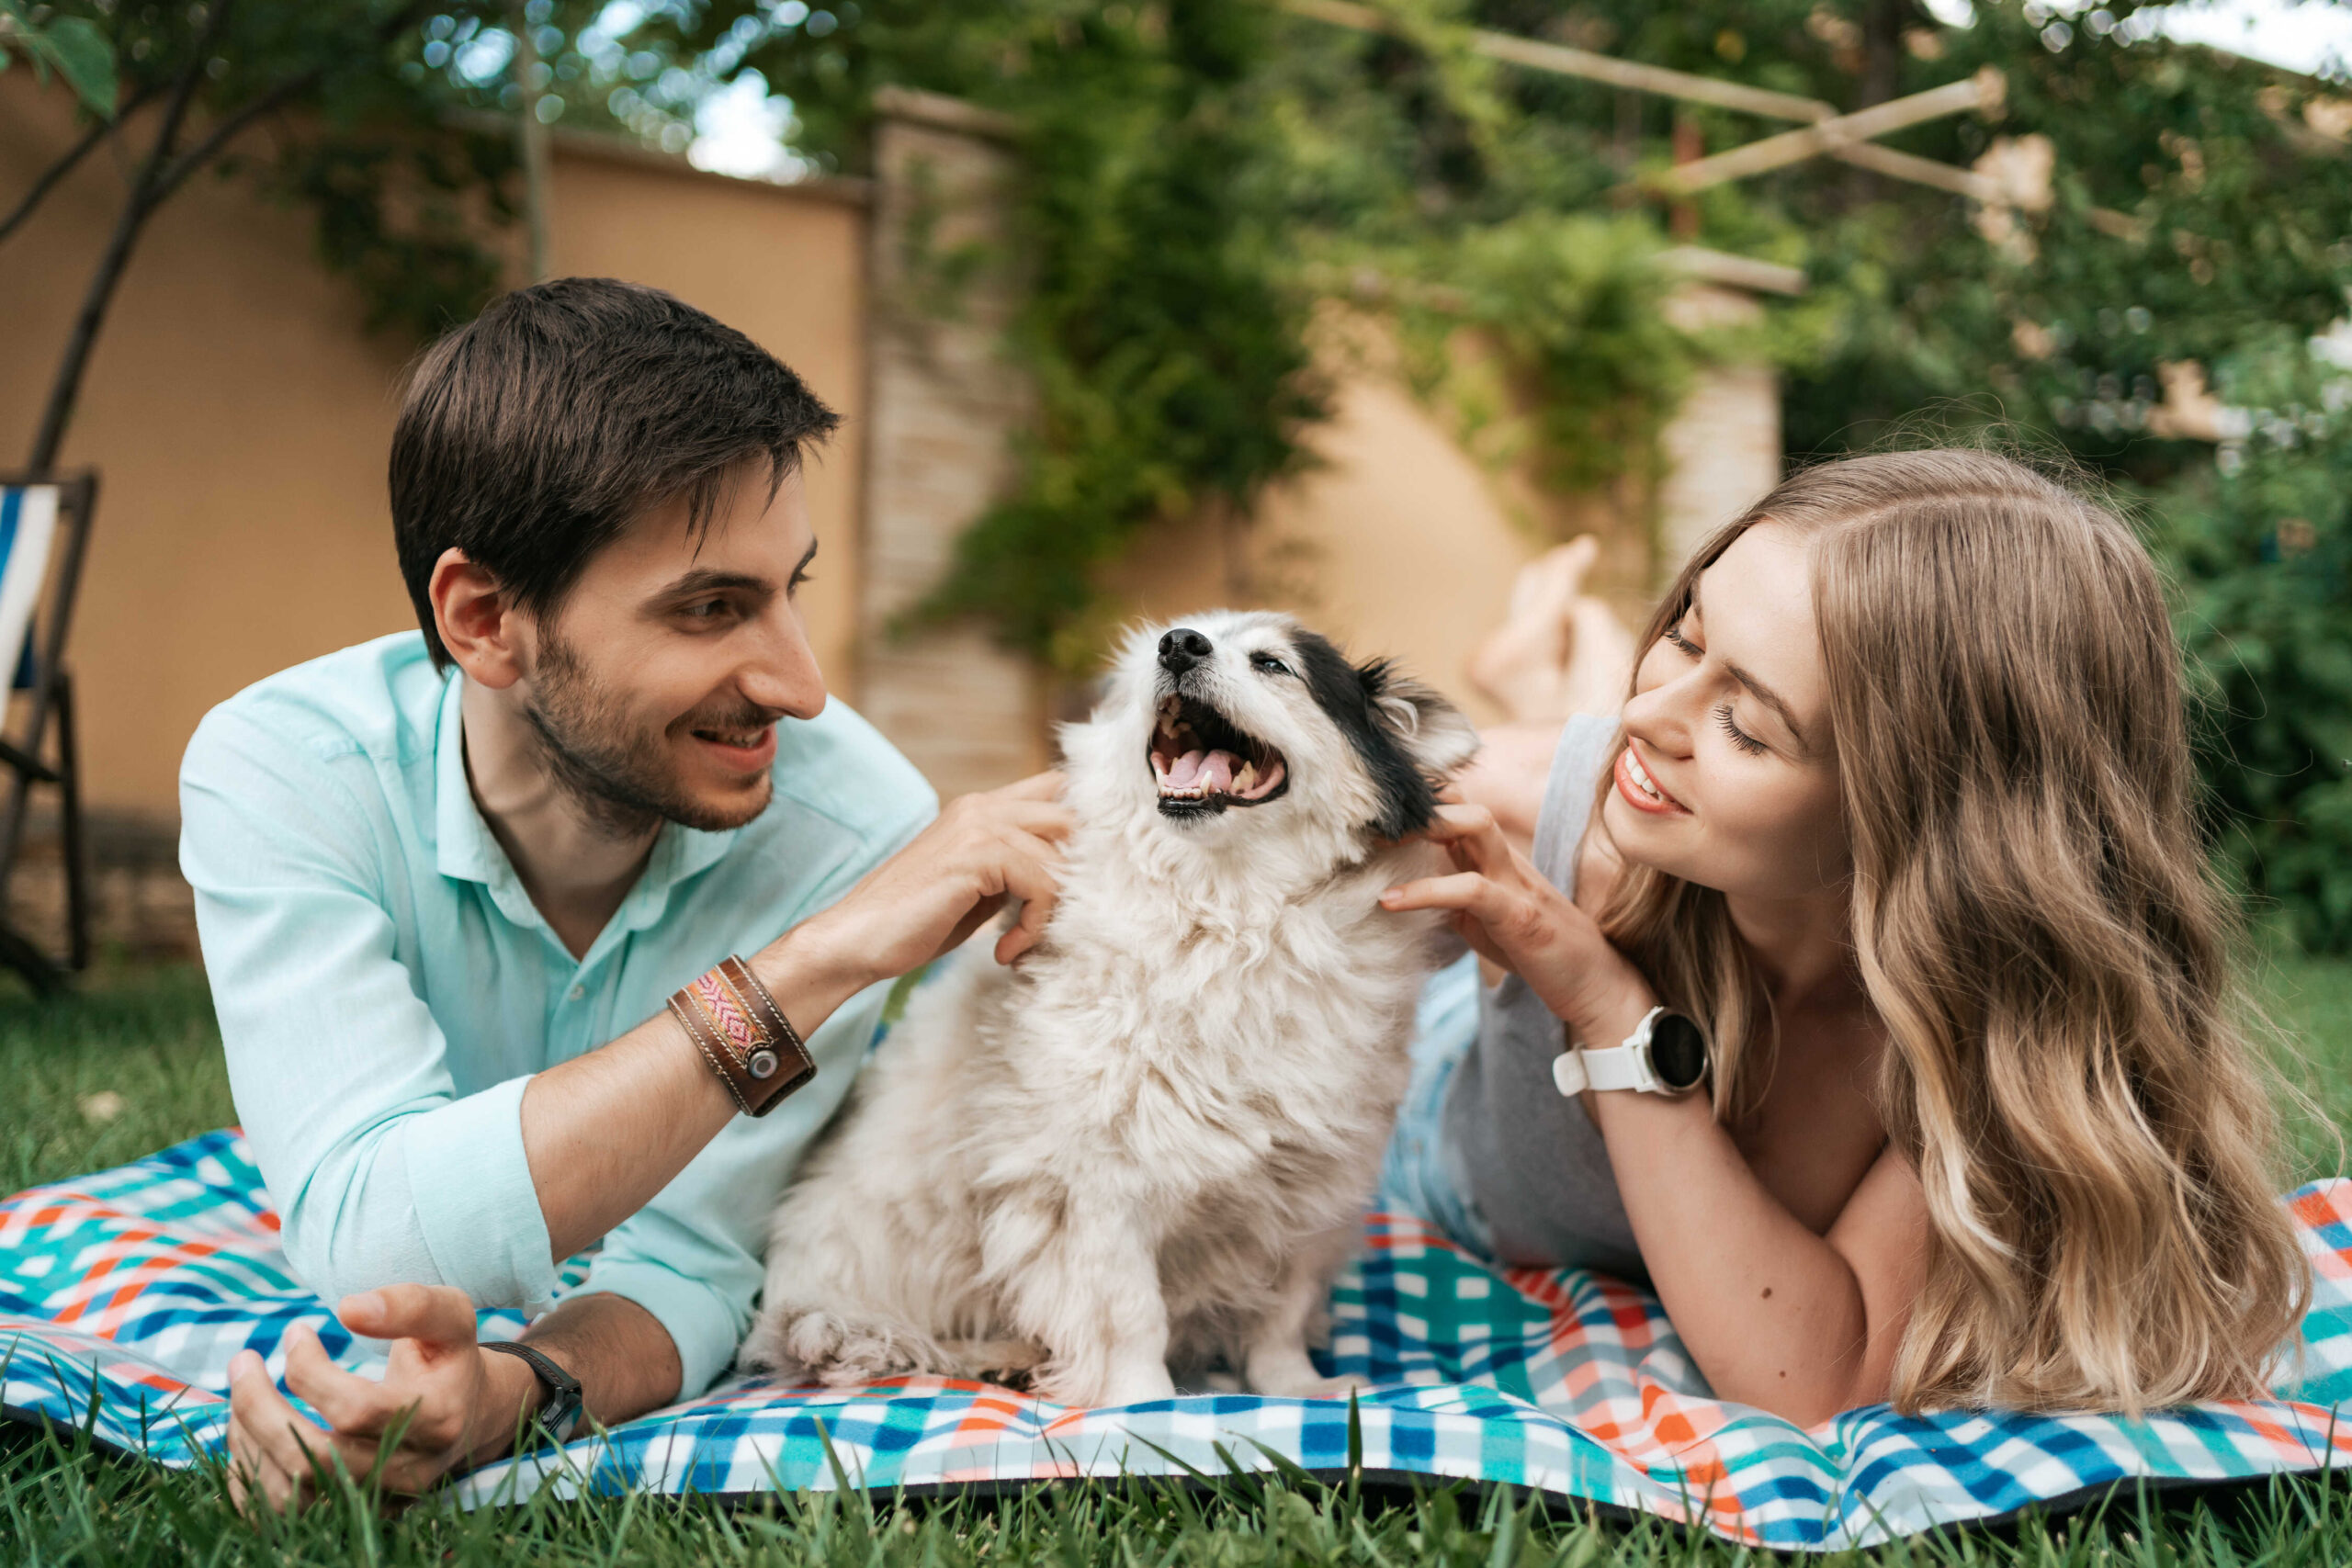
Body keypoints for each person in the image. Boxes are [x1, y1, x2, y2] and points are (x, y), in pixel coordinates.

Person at [184, 278, 1071, 1510]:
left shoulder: (857, 820)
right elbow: (366, 1231)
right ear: (486, 619)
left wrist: (509, 1389)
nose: (802, 685)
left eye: (790, 589)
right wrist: (808, 966)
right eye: (713, 606)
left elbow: (697, 1264)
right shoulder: (286, 767)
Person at [1377, 449, 2309, 1425]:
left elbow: (1815, 1378)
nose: (1644, 714)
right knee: (1569, 755)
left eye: (1746, 724)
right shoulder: (1535, 830)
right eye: (1686, 637)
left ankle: (1544, 668)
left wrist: (1613, 1011)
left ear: (1919, 820)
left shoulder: (1988, 1022)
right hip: (1452, 1112)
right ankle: (1529, 678)